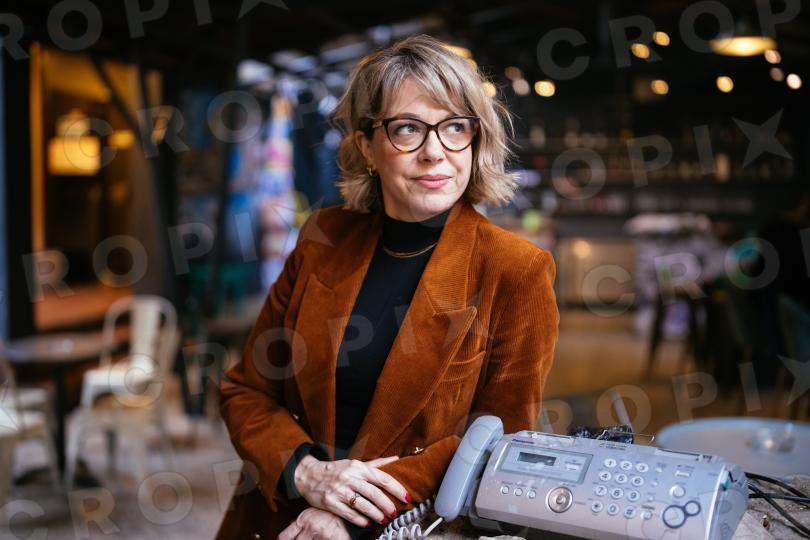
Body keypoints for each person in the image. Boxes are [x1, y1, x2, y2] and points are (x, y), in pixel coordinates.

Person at [215, 34, 559, 540]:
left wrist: (347, 511)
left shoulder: (516, 269)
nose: (434, 152)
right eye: (408, 129)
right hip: (282, 517)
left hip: (407, 525)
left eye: (455, 127)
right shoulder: (323, 236)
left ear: (476, 139)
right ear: (367, 147)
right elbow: (246, 389)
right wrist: (306, 473)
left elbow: (501, 440)